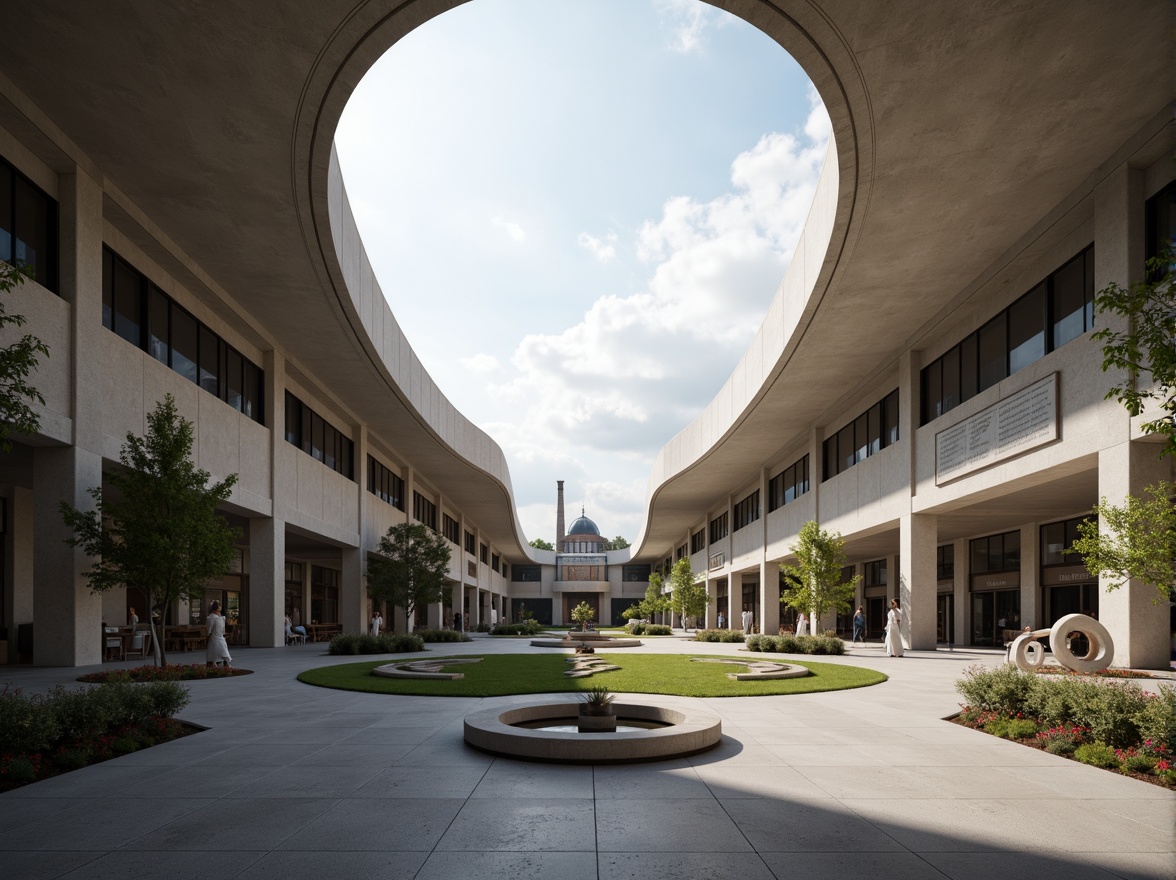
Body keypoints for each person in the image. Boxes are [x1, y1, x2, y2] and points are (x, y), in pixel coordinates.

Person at [206, 600, 232, 668]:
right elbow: (209, 628)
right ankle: (215, 663)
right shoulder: (211, 617)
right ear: (216, 608)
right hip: (214, 636)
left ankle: (224, 662)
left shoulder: (219, 617)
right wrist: (208, 634)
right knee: (217, 650)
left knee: (222, 648)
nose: (220, 607)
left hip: (220, 636)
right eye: (219, 606)